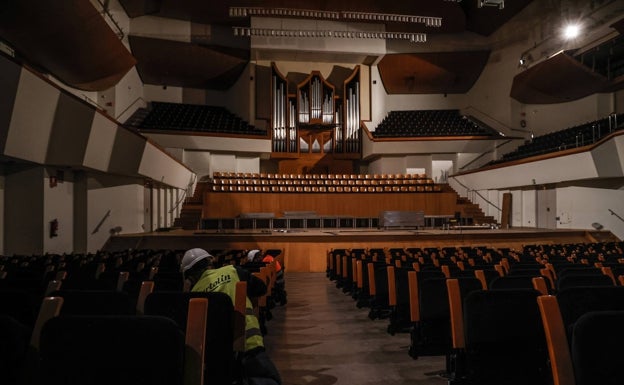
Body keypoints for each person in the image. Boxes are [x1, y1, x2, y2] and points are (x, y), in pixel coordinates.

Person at [181, 248, 282, 385]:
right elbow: (260, 288)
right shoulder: (232, 270)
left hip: (215, 358)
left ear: (189, 276)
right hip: (249, 344)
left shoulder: (193, 294)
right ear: (210, 263)